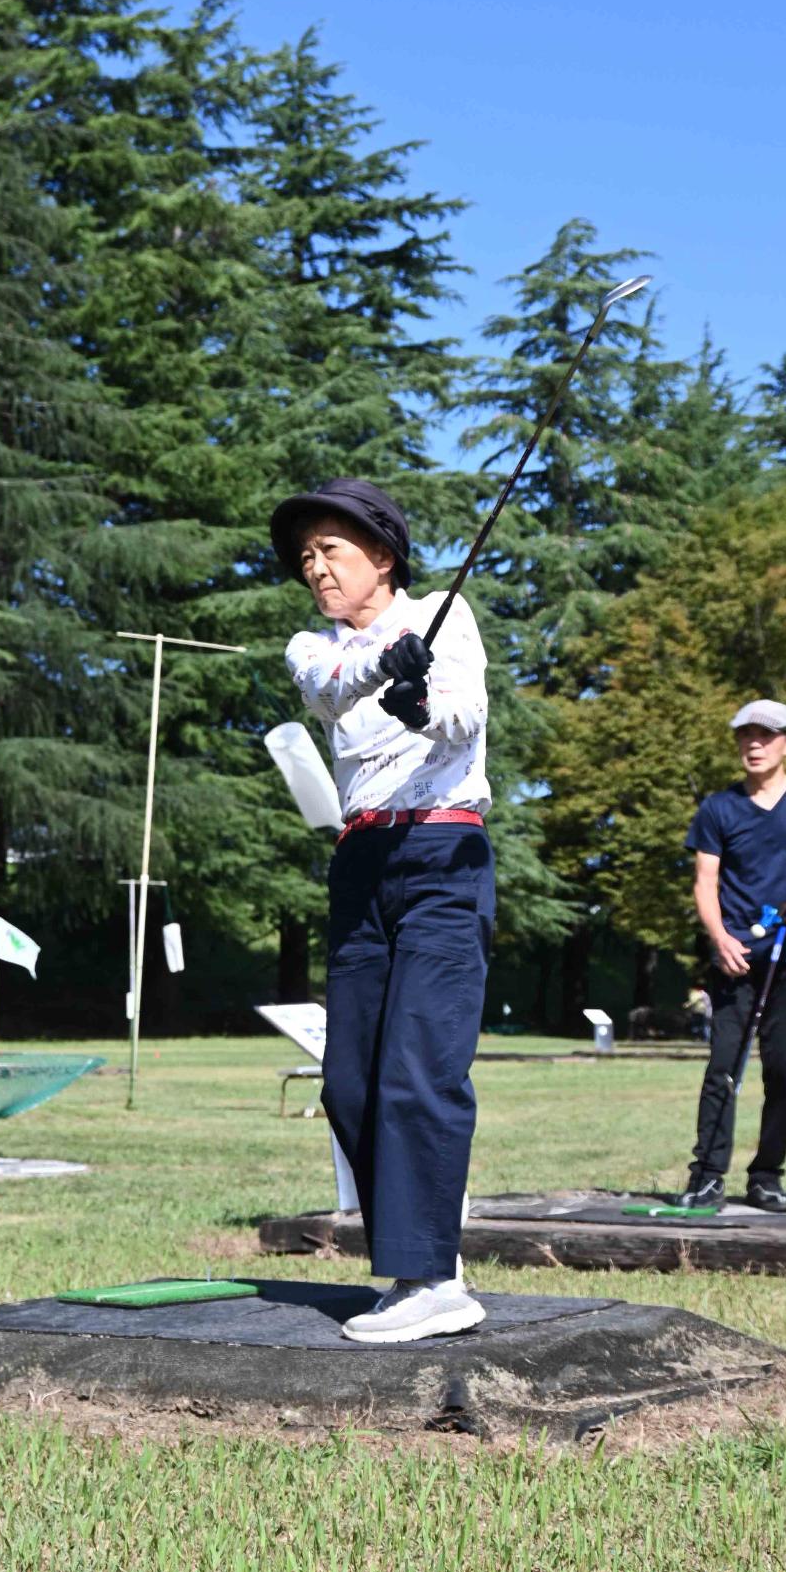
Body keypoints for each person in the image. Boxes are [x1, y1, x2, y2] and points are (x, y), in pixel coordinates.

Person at [270, 477, 493, 1343]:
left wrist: (422, 702)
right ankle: (425, 1256)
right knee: (348, 1080)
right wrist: (382, 668)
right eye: (305, 557)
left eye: (330, 550)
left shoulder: (445, 613)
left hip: (443, 853)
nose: (314, 567)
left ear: (383, 558)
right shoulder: (309, 645)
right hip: (361, 862)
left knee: (418, 1067)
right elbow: (327, 687)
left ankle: (429, 1278)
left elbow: (465, 717)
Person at [678, 698, 786, 1212]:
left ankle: (766, 1176)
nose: (755, 744)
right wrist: (720, 938)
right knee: (723, 1068)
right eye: (746, 735)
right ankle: (707, 1175)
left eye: (767, 735)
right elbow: (705, 882)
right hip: (736, 956)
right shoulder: (718, 808)